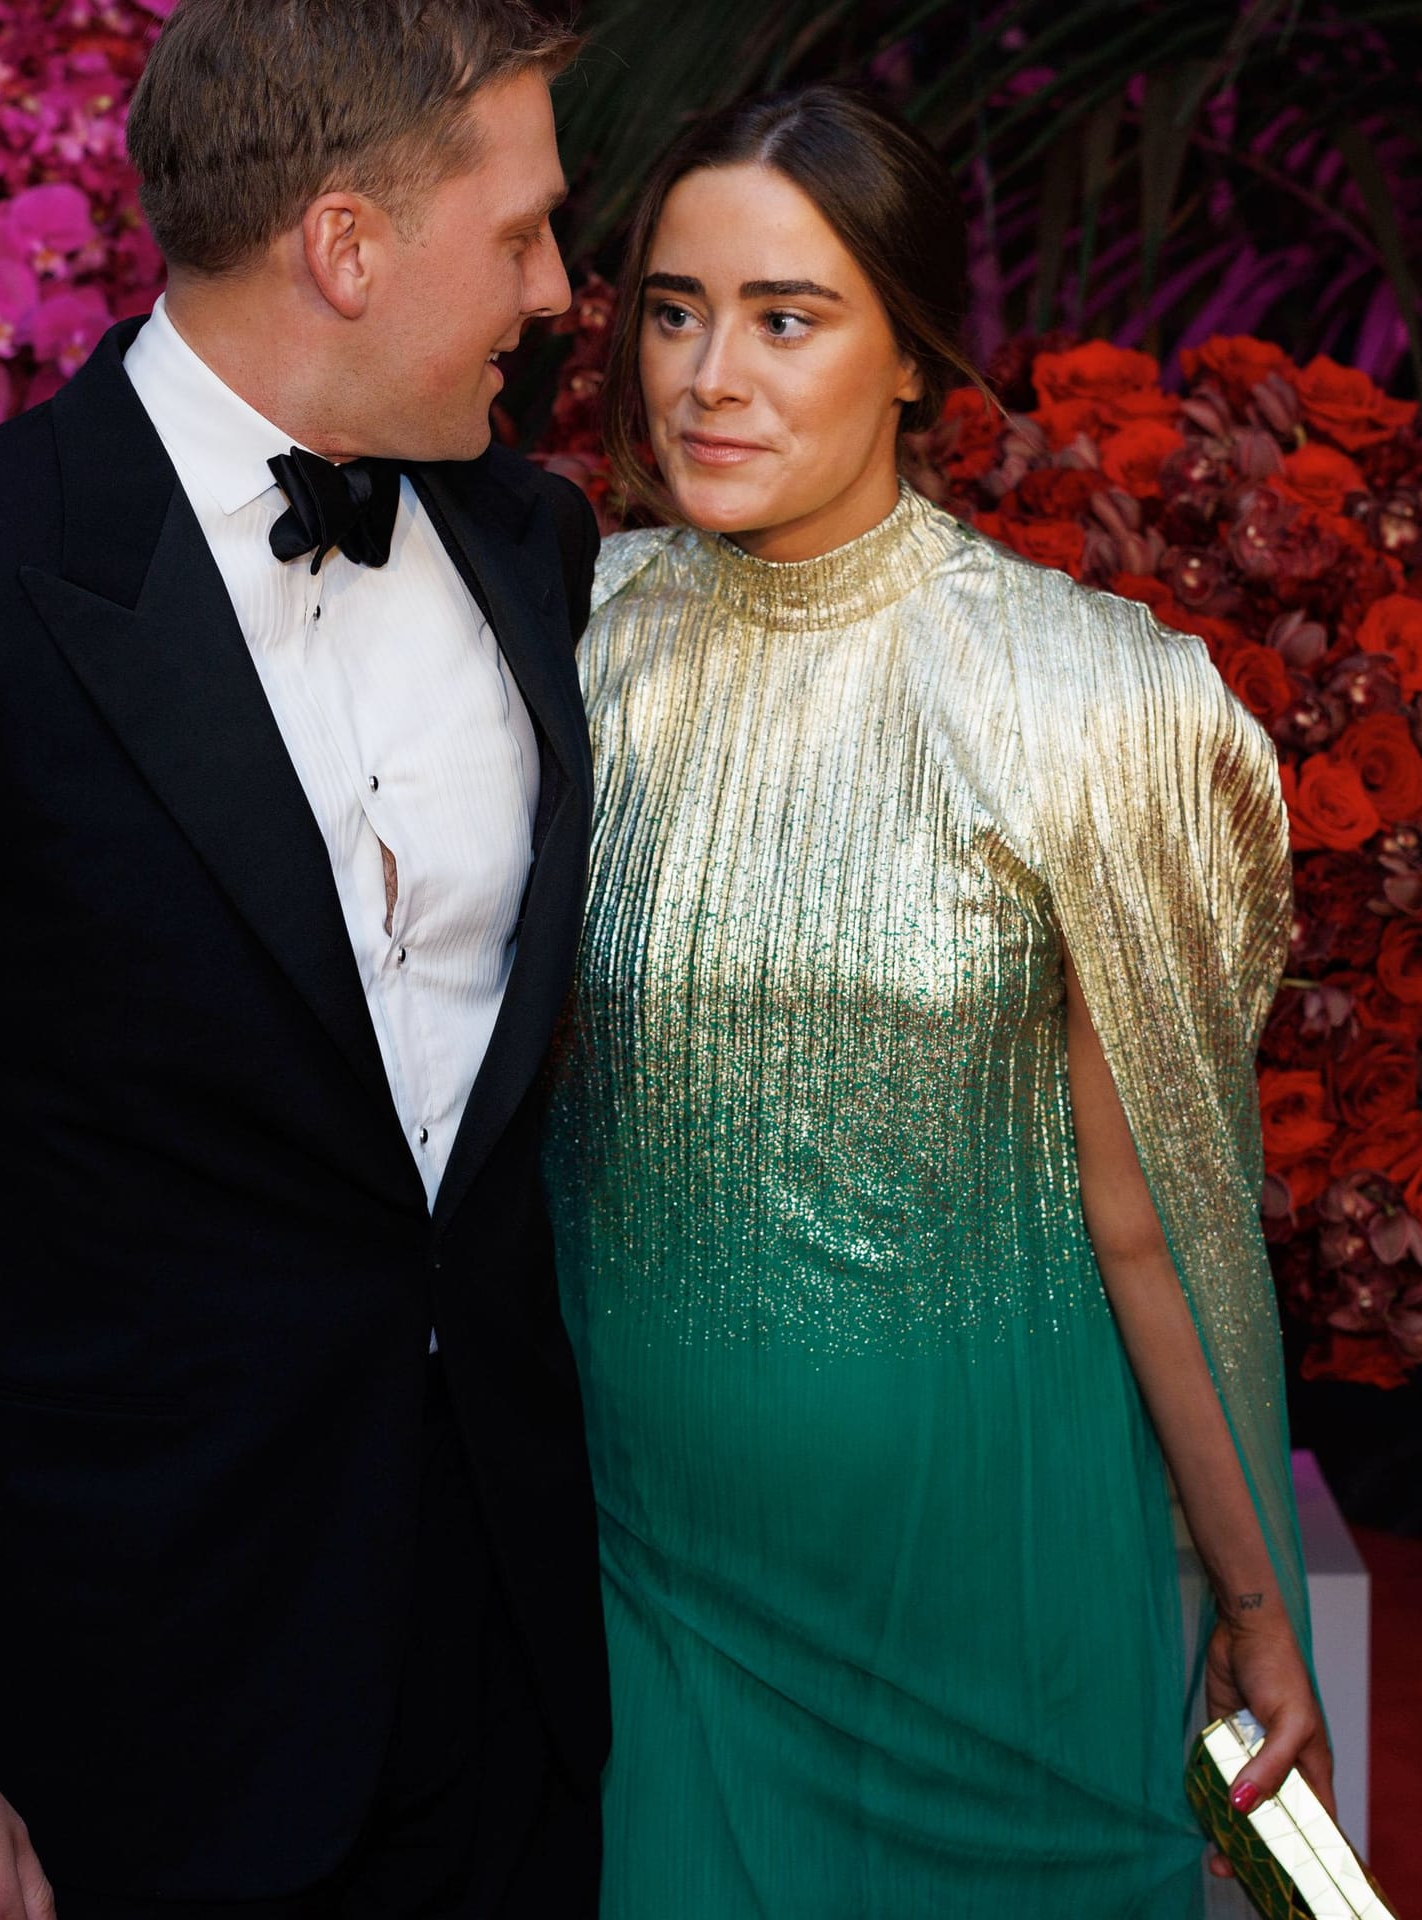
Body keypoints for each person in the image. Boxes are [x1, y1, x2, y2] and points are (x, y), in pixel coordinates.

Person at [0, 4, 610, 1916]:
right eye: (519, 236)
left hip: (514, 1688)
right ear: (346, 246)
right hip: (128, 1723)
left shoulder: (535, 542)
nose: (560, 291)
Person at [544, 85, 1332, 1917]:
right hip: (655, 1581)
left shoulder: (1090, 703)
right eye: (673, 309)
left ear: (912, 353)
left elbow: (1163, 1224)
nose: (709, 376)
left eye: (786, 317)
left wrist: (1248, 1600)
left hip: (1003, 1595)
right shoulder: (567, 647)